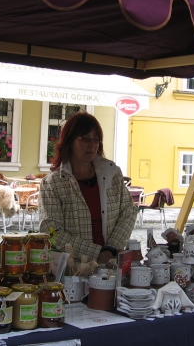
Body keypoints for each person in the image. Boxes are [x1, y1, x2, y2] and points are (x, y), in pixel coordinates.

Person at [39, 112, 137, 265]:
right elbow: (52, 231)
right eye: (85, 139)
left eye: (96, 139)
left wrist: (110, 249)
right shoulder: (53, 183)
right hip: (73, 269)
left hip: (110, 265)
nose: (92, 145)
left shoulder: (112, 175)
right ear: (69, 141)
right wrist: (97, 253)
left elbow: (128, 211)